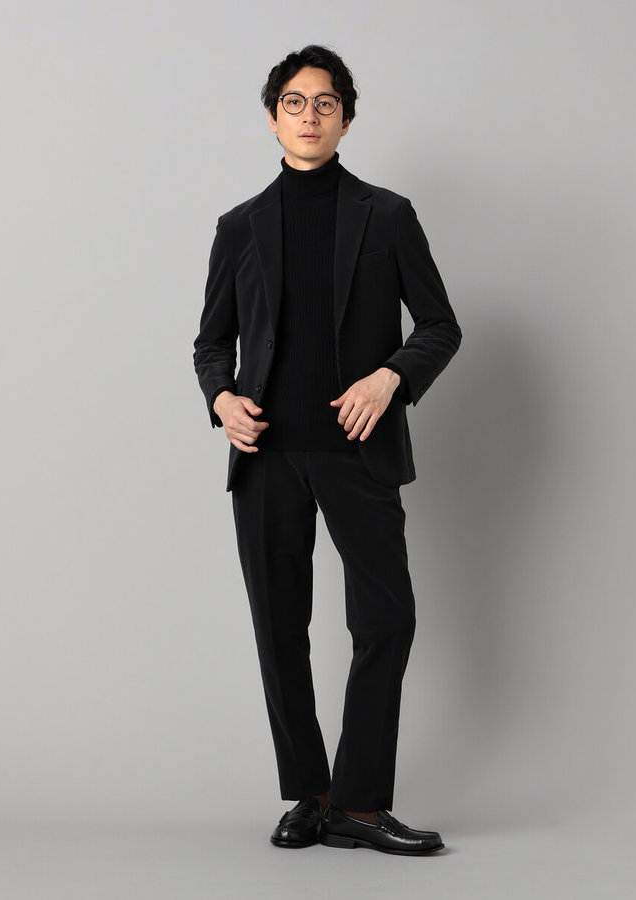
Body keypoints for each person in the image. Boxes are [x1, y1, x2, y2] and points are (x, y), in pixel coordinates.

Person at [193, 45, 461, 855]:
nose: (309, 116)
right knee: (280, 629)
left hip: (358, 452)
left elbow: (440, 325)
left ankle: (360, 802)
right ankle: (310, 796)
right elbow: (211, 343)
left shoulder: (388, 215)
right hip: (267, 456)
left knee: (386, 620)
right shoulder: (238, 227)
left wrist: (391, 376)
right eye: (294, 102)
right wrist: (221, 399)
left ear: (346, 119)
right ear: (273, 117)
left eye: (325, 103)